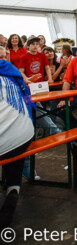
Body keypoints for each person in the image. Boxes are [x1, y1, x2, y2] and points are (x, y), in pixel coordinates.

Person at [0, 47, 35, 229]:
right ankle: (14, 187)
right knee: (15, 132)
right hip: (24, 136)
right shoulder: (12, 73)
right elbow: (30, 104)